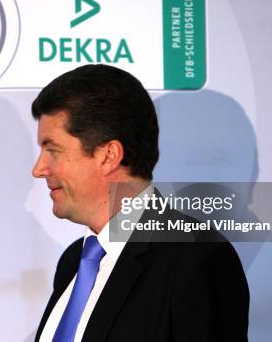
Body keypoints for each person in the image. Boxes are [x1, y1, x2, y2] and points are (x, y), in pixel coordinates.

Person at [32, 65, 249, 341]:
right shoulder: (73, 261)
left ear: (109, 155)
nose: (39, 169)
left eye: (53, 150)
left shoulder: (196, 258)